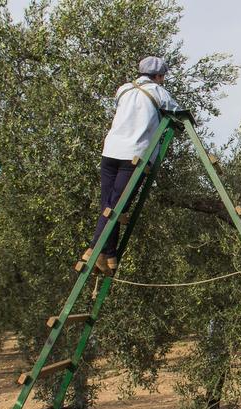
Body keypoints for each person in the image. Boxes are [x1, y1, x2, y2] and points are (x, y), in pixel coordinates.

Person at [82, 55, 182, 274]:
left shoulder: (124, 90)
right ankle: (93, 250)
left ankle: (109, 256)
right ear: (158, 76)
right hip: (133, 155)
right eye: (162, 76)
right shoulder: (159, 92)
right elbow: (179, 113)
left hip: (110, 151)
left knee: (108, 205)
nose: (163, 80)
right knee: (118, 207)